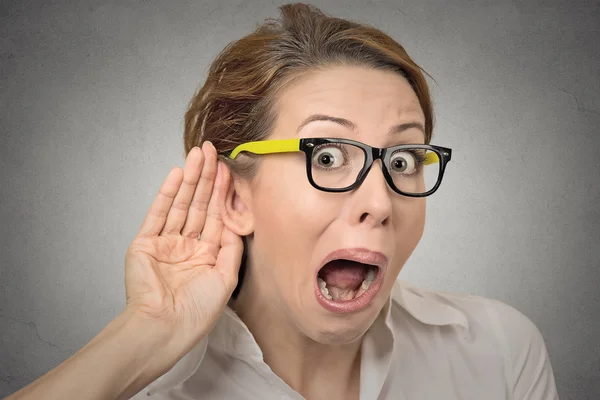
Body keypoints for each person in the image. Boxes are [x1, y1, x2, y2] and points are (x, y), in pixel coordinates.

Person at [7, 3, 559, 400]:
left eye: (403, 160)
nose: (381, 201)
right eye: (326, 157)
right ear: (234, 195)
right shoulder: (149, 388)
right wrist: (146, 329)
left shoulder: (500, 353)